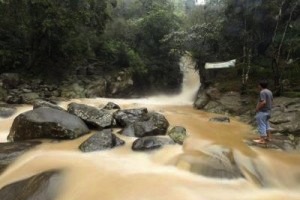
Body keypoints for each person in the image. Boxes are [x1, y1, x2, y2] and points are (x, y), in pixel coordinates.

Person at [253, 80, 273, 144]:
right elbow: (271, 100)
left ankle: (262, 140)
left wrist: (257, 109)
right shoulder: (269, 91)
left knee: (261, 125)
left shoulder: (262, 92)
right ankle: (268, 138)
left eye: (258, 85)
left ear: (260, 85)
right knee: (267, 124)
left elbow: (263, 102)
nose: (258, 86)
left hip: (263, 111)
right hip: (268, 111)